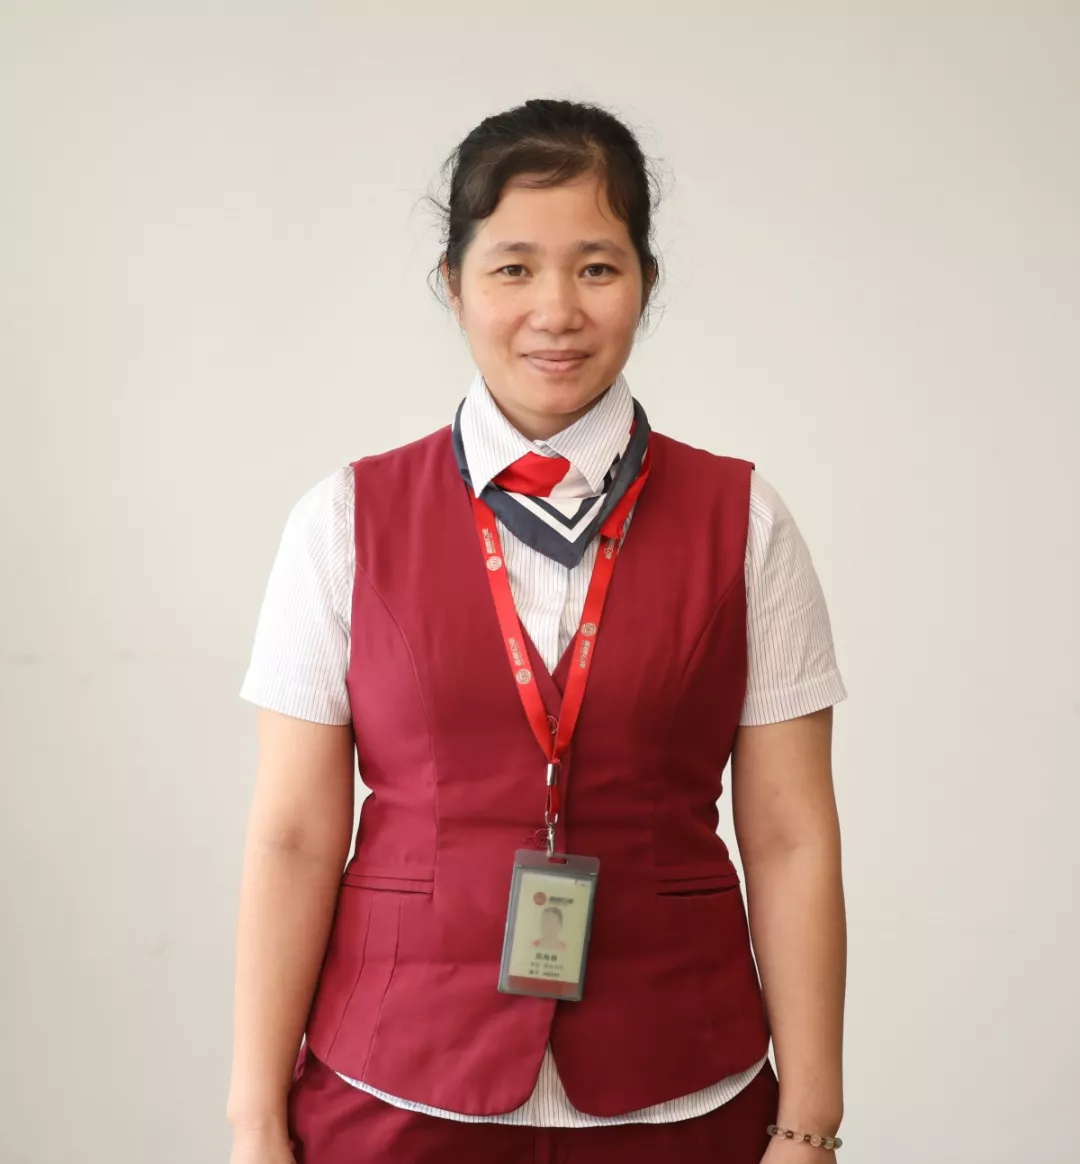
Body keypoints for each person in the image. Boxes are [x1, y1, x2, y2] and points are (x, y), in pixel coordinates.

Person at [229, 98, 848, 1164]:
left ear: (646, 280)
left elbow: (791, 838)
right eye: (513, 268)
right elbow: (293, 835)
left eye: (597, 268)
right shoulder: (345, 520)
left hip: (681, 1091)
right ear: (454, 283)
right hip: (393, 1089)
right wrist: (254, 1122)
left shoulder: (744, 521)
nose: (556, 310)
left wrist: (809, 1124)